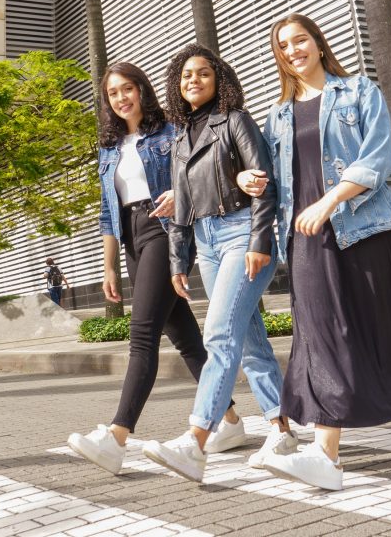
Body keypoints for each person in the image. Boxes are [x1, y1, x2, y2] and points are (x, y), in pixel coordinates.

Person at [239, 13, 391, 491]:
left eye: (300, 40)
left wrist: (330, 199)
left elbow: (377, 156)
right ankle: (325, 456)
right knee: (319, 335)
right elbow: (270, 181)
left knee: (384, 331)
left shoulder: (358, 92)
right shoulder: (276, 117)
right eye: (283, 45)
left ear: (318, 43)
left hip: (367, 231)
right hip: (306, 239)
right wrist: (247, 180)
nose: (293, 50)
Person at [67, 62, 244, 475]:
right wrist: (109, 266)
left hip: (165, 231)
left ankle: (116, 436)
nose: (121, 97)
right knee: (184, 336)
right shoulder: (109, 149)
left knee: (142, 334)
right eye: (113, 93)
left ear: (142, 90)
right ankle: (231, 422)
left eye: (128, 88)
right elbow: (109, 216)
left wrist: (178, 198)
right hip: (132, 238)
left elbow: (197, 176)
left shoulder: (168, 132)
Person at [141, 44, 295, 484]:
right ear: (177, 84)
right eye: (186, 75)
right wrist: (178, 261)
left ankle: (196, 440)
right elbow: (180, 208)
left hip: (240, 234)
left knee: (219, 334)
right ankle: (281, 430)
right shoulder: (179, 139)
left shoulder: (236, 121)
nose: (194, 80)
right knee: (249, 342)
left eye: (204, 74)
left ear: (219, 80)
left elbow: (263, 182)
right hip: (206, 244)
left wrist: (260, 240)